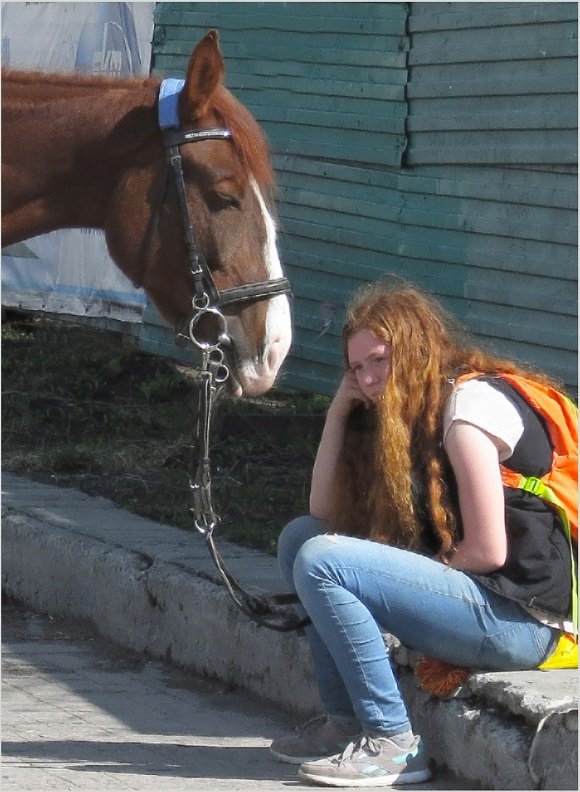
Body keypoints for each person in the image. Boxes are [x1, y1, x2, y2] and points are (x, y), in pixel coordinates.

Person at [269, 279, 576, 788]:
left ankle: (393, 744)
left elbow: (486, 549)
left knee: (325, 560)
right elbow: (321, 510)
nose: (368, 379)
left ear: (416, 350)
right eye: (356, 367)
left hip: (531, 623)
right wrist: (337, 413)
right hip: (489, 602)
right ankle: (344, 724)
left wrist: (403, 588)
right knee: (302, 538)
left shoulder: (468, 409)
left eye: (379, 360)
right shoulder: (410, 413)